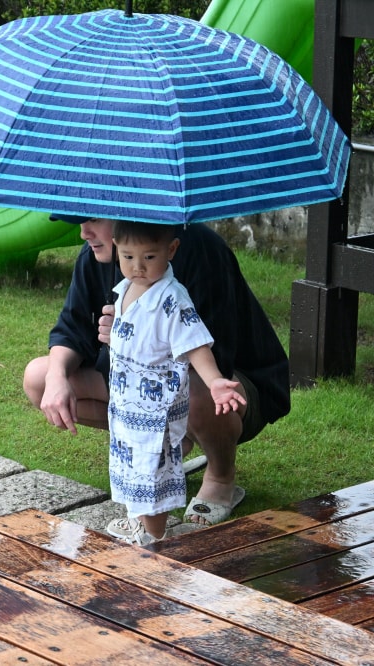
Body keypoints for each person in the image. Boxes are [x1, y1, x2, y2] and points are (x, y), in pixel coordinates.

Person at [23, 216, 290, 528]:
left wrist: (134, 336)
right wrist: (58, 377)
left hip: (226, 387)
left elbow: (208, 352)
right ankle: (159, 450)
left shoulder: (199, 250)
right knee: (40, 377)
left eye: (92, 220)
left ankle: (220, 476)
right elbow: (72, 328)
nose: (83, 232)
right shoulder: (99, 254)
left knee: (194, 390)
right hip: (141, 385)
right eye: (79, 221)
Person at [104, 220, 246, 545]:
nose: (138, 267)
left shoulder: (172, 298)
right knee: (130, 466)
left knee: (152, 472)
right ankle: (137, 518)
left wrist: (214, 381)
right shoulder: (125, 289)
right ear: (116, 249)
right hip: (126, 406)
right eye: (127, 257)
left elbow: (195, 343)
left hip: (156, 412)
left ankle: (152, 538)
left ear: (171, 250)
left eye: (149, 258)